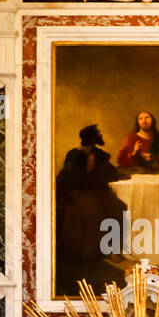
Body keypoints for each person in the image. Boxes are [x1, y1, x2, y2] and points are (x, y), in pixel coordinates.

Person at [55, 125, 127, 294]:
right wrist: (89, 171)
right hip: (76, 192)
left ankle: (112, 248)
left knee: (119, 207)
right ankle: (93, 251)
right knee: (93, 211)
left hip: (97, 190)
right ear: (90, 137)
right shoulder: (74, 154)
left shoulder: (99, 154)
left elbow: (110, 172)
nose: (100, 137)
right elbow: (71, 178)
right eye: (98, 135)